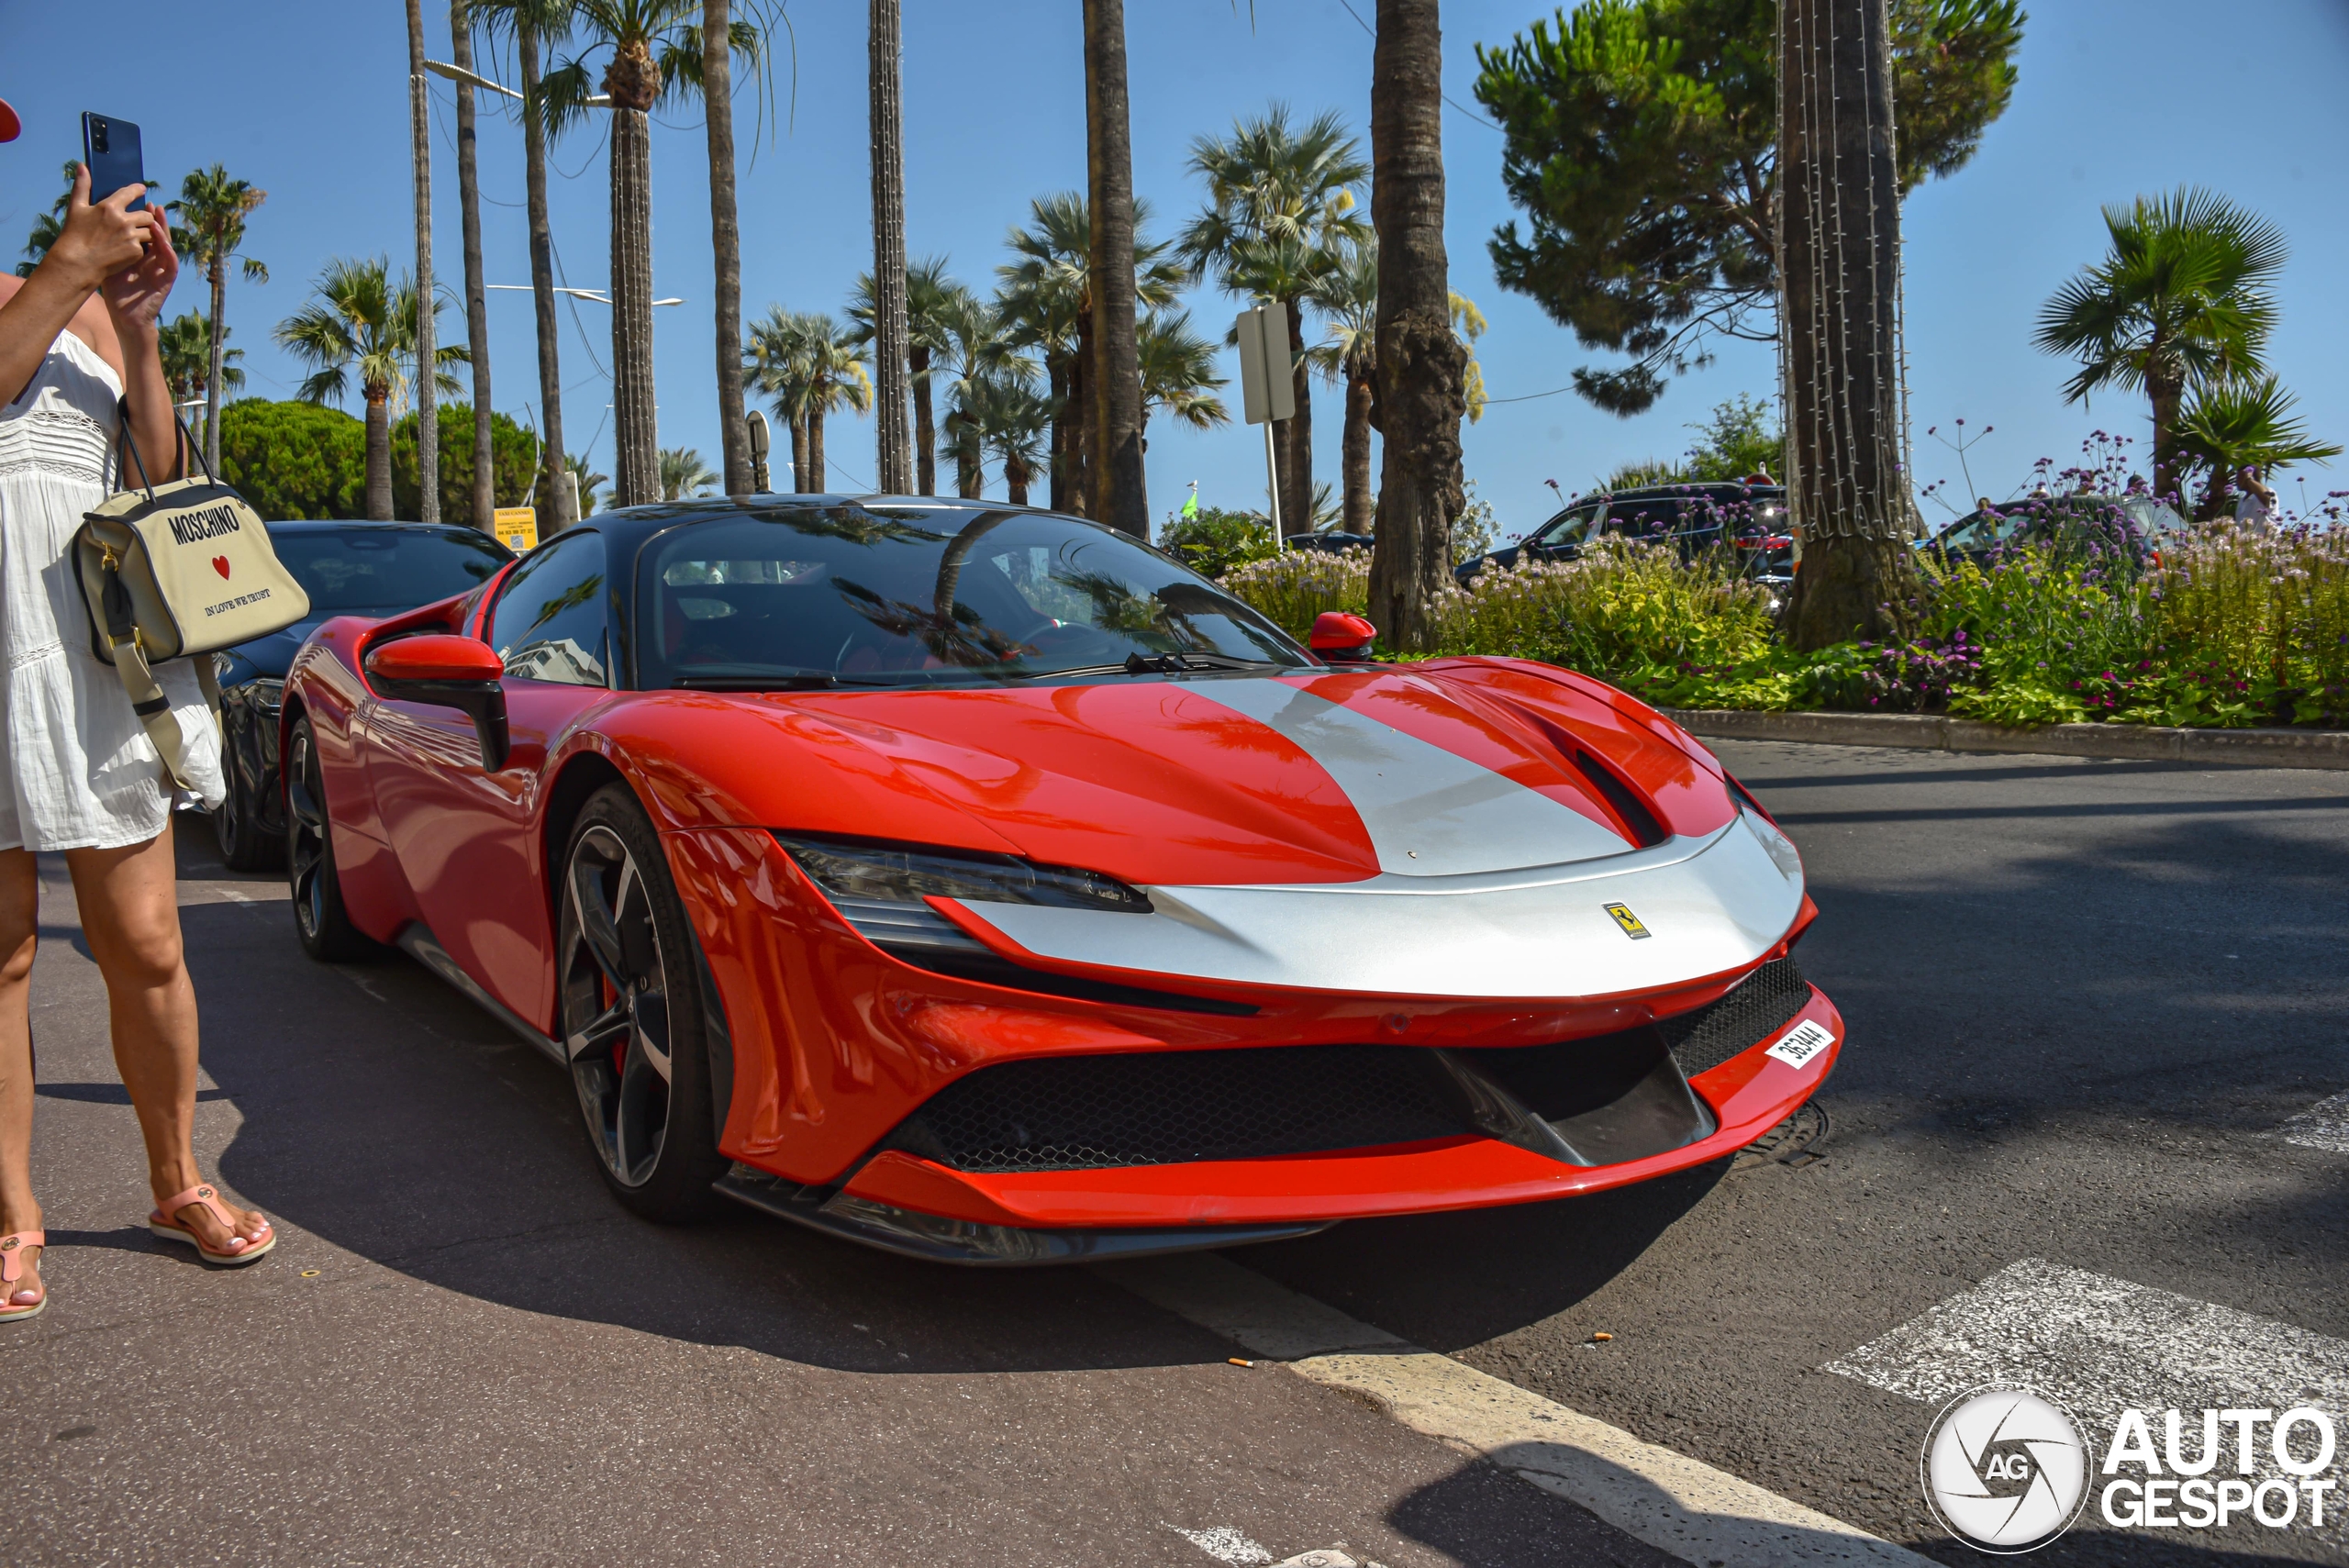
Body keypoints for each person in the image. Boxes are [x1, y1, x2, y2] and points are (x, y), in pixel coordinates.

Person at [0, 114, 274, 1322]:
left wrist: (144, 330)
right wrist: (66, 267)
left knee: (149, 944)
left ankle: (176, 1181)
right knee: (2, 955)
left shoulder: (89, 309)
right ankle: (14, 1220)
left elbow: (158, 481)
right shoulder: (43, 288)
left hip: (91, 651)